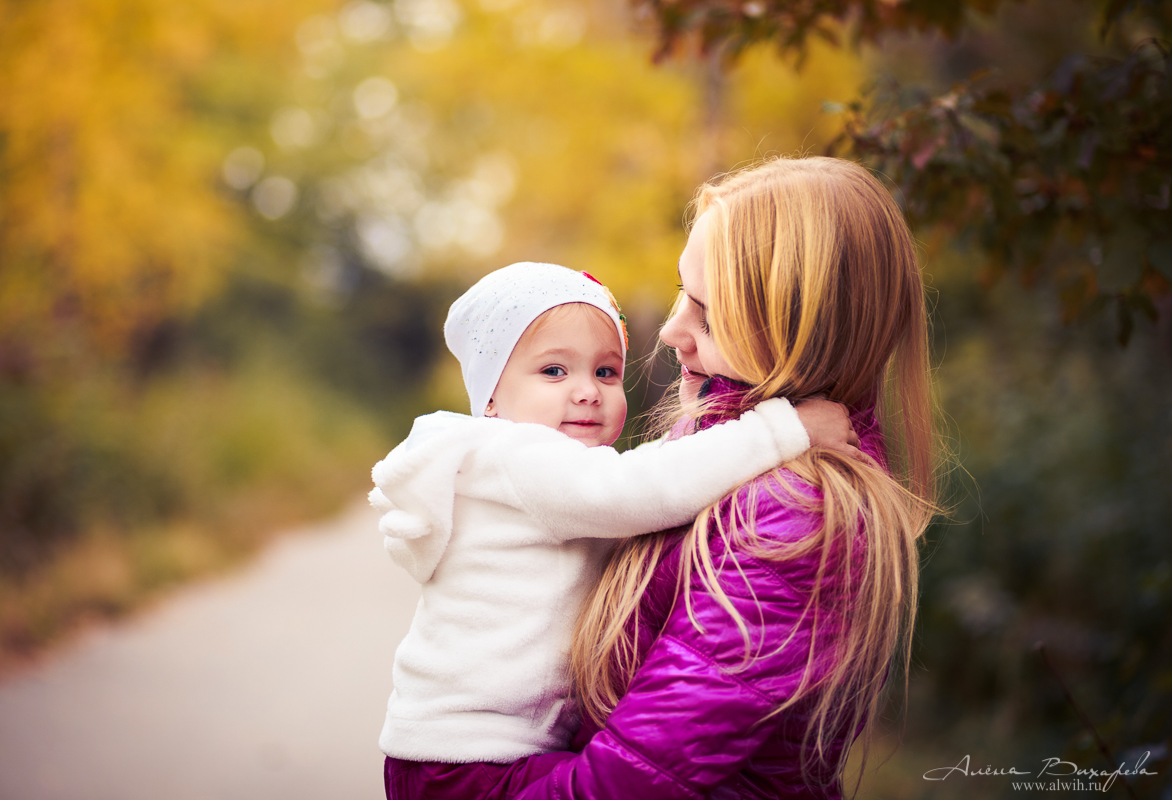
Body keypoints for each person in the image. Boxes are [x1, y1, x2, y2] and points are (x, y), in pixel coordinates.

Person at [384, 156, 939, 799]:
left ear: (795, 331)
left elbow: (631, 782)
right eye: (681, 292)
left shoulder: (794, 514)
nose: (673, 331)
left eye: (707, 314)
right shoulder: (718, 447)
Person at [372, 262, 857, 782]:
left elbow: (645, 475)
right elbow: (640, 487)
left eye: (606, 372)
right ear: (490, 396)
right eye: (554, 371)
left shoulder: (534, 468)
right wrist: (783, 430)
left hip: (466, 751)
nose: (587, 392)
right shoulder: (518, 459)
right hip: (470, 757)